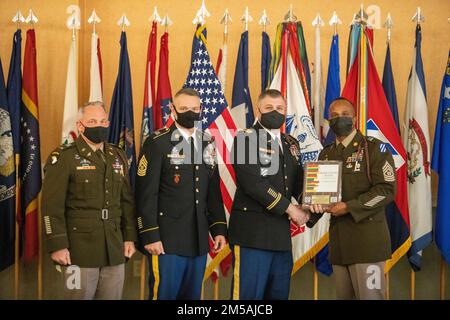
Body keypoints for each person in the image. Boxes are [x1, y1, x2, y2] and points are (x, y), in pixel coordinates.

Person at [135, 88, 227, 300]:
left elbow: (212, 191)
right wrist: (149, 234)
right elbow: (145, 194)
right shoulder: (157, 143)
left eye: (195, 109)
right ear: (173, 110)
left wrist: (219, 228)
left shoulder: (207, 142)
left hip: (198, 238)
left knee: (192, 298)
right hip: (167, 240)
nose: (190, 113)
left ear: (201, 109)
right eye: (184, 108)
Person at [41, 101, 137, 300]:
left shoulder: (117, 155)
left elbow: (126, 201)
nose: (99, 126)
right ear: (80, 125)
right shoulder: (64, 157)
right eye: (92, 121)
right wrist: (57, 244)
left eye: (103, 121)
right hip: (78, 250)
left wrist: (129, 237)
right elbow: (52, 206)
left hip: (114, 246)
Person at [307, 97, 396, 300]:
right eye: (335, 116)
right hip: (340, 245)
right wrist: (305, 214)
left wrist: (349, 207)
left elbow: (386, 190)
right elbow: (320, 197)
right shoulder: (327, 153)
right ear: (329, 120)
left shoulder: (375, 149)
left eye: (345, 115)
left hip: (368, 244)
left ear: (355, 119)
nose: (340, 119)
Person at [228, 89, 310, 300]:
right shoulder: (245, 139)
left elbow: (297, 182)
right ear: (258, 110)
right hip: (252, 236)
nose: (275, 112)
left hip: (281, 237)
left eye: (280, 108)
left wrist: (311, 204)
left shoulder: (291, 143)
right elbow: (253, 183)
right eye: (269, 108)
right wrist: (292, 209)